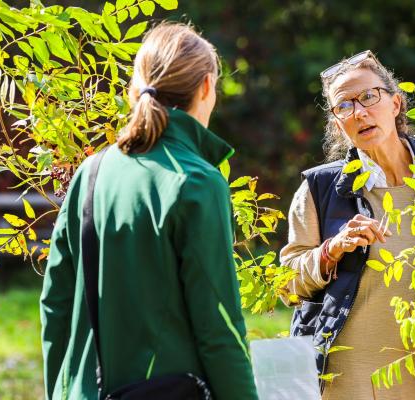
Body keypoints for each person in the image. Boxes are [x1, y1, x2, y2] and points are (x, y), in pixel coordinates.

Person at [40, 22, 258, 400]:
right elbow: (218, 325)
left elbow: (55, 303)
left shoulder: (91, 173)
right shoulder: (196, 181)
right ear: (207, 87)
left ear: (135, 86)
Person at [280, 50, 415, 400]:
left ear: (395, 104)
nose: (359, 112)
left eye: (368, 97)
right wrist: (331, 251)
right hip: (345, 385)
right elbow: (287, 285)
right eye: (344, 106)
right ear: (337, 124)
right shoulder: (318, 189)